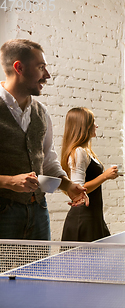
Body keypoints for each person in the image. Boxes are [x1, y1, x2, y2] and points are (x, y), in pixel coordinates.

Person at [0, 39, 88, 241]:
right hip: (4, 213)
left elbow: (47, 160)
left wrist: (67, 185)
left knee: (39, 272)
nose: (47, 75)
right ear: (19, 67)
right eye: (41, 68)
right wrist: (9, 181)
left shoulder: (41, 112)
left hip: (38, 211)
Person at [60, 107, 119, 241]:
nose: (96, 125)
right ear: (84, 126)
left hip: (93, 217)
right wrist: (105, 176)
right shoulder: (79, 152)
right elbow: (78, 190)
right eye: (92, 122)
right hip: (83, 219)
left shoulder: (86, 151)